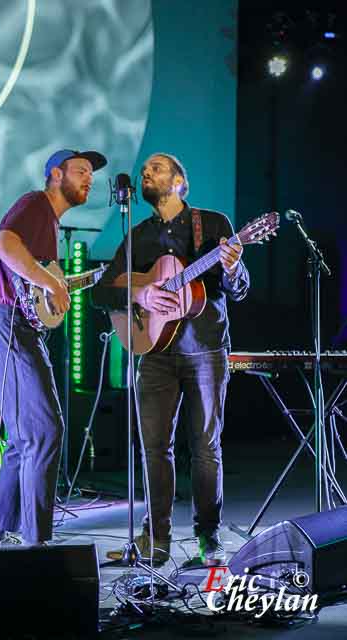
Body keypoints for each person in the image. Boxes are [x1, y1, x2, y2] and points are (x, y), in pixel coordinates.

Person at [92, 153, 249, 565]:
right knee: (154, 448)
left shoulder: (213, 226)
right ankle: (156, 538)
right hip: (155, 354)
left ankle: (207, 538)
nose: (147, 172)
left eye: (157, 168)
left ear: (180, 181)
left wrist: (233, 270)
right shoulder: (138, 234)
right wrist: (139, 294)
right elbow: (100, 292)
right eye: (145, 170)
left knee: (205, 448)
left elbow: (239, 289)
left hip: (206, 350)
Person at [0, 148, 107, 546]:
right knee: (47, 430)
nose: (89, 178)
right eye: (81, 170)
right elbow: (3, 244)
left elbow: (34, 288)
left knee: (24, 438)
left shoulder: (48, 223)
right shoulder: (35, 204)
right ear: (56, 174)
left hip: (18, 329)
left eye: (91, 174)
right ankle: (36, 542)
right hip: (6, 325)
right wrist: (52, 283)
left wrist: (56, 287)